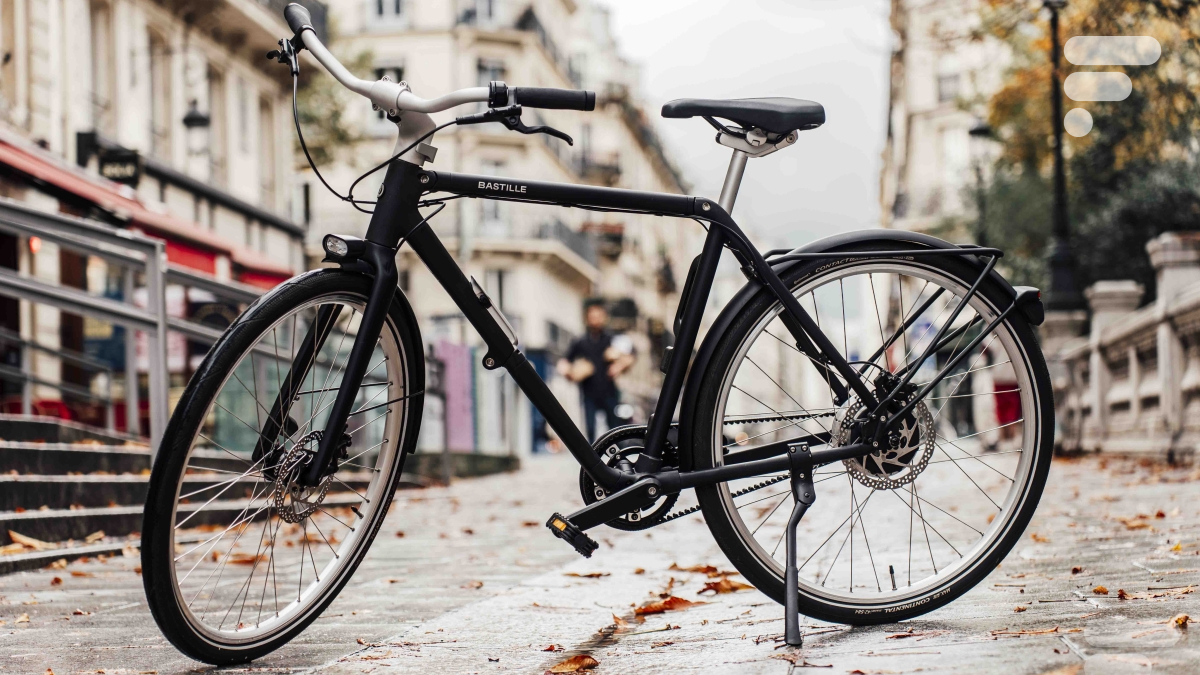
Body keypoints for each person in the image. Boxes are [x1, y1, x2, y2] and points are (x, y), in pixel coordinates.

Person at [559, 303, 635, 442]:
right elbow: (565, 361)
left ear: (604, 318)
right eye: (592, 317)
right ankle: (592, 459)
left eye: (598, 316)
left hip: (609, 391)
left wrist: (619, 366)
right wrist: (569, 372)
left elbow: (630, 355)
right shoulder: (580, 341)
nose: (595, 320)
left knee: (614, 428)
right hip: (588, 392)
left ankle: (618, 456)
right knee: (590, 428)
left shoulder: (613, 339)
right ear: (587, 319)